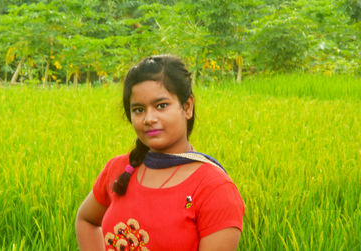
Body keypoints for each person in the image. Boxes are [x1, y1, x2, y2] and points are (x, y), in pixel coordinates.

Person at [75, 55, 245, 251]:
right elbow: (86, 220)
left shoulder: (214, 189)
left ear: (187, 107)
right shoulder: (119, 170)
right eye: (138, 110)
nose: (149, 118)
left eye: (161, 106)